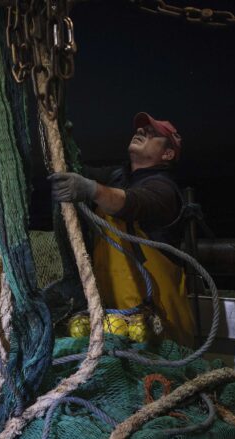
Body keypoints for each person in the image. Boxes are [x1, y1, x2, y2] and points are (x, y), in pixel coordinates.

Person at [48, 112, 195, 346]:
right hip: (114, 318)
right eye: (140, 130)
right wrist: (60, 139)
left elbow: (132, 203)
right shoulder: (118, 176)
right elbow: (75, 169)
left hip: (161, 328)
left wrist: (92, 190)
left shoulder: (164, 189)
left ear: (167, 154)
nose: (140, 132)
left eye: (152, 134)